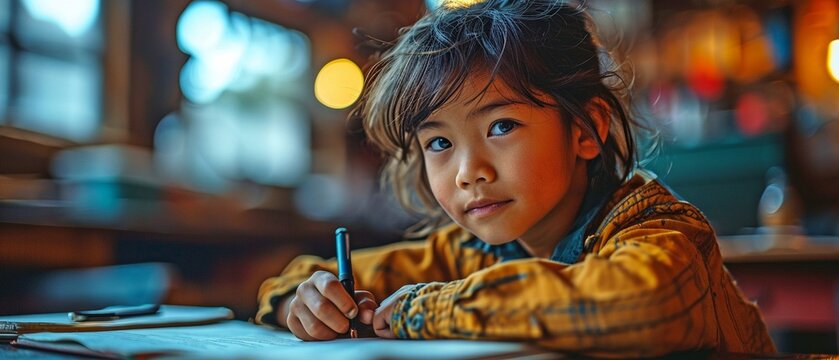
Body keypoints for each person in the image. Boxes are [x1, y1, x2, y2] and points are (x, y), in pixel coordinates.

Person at [256, 0, 775, 356]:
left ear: (587, 129)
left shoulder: (659, 230)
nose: (468, 173)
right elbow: (301, 275)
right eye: (440, 143)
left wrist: (425, 309)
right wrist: (304, 303)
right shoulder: (470, 252)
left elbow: (643, 302)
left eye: (502, 126)